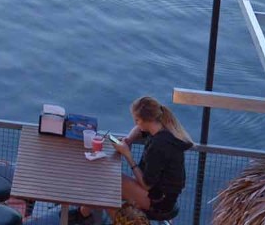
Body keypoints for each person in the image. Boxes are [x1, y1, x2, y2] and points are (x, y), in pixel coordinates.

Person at [75, 96, 193, 224]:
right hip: (166, 195)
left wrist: (127, 155)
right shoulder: (161, 128)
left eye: (137, 120)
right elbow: (139, 130)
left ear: (147, 120)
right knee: (104, 188)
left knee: (106, 184)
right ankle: (83, 215)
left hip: (159, 200)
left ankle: (84, 215)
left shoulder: (159, 146)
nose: (135, 123)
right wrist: (129, 139)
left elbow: (147, 184)